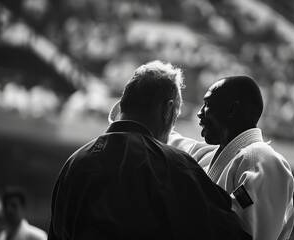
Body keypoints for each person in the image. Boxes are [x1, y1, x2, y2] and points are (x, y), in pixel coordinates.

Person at [49, 60, 251, 240]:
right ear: (167, 110)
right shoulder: (175, 167)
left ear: (122, 106)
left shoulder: (73, 165)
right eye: (175, 116)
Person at [166, 76, 294, 240]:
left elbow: (249, 235)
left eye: (207, 105)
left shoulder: (263, 159)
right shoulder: (209, 155)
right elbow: (171, 141)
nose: (199, 113)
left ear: (232, 109)